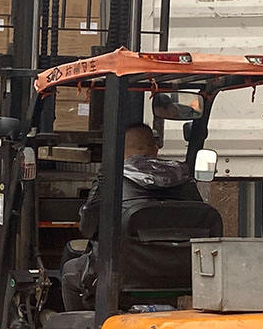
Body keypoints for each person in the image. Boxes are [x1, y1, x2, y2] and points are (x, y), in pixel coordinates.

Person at [61, 122, 201, 311]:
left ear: (118, 151)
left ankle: (86, 327)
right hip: (183, 281)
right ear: (155, 150)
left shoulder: (109, 181)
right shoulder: (186, 182)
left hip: (122, 281)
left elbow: (87, 228)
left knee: (70, 270)